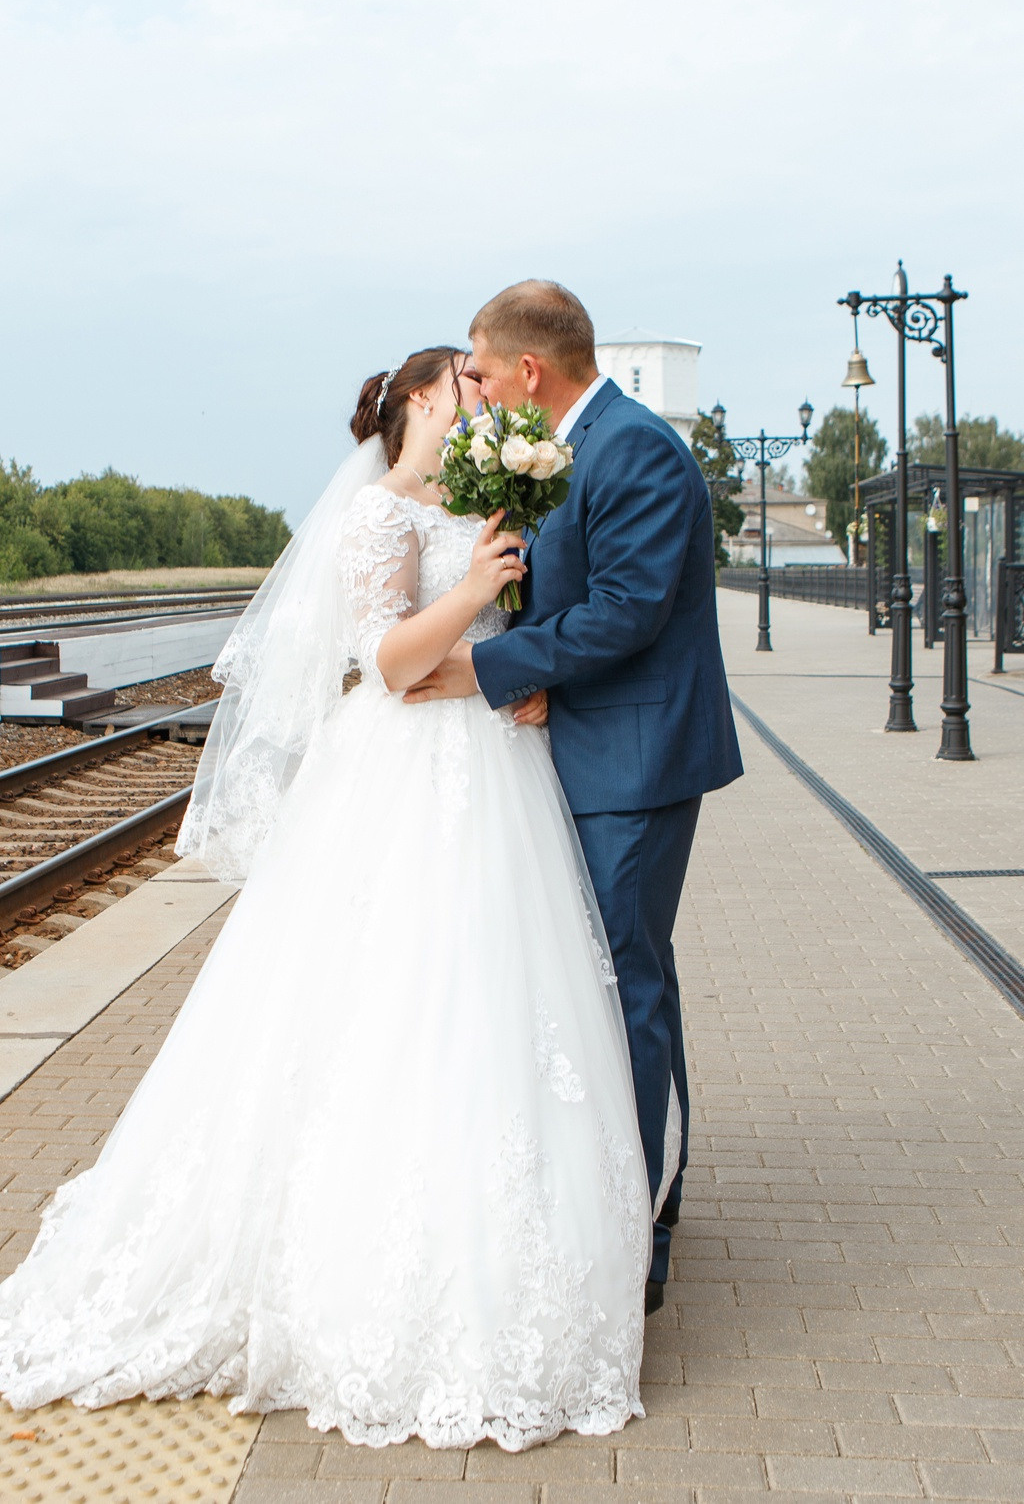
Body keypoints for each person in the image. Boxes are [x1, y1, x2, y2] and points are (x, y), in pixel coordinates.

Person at [0, 345, 649, 1452]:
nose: (482, 394)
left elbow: (511, 636)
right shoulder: (379, 514)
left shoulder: (483, 502)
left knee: (491, 1003)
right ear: (420, 399)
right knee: (382, 998)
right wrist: (475, 590)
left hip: (494, 769)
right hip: (403, 770)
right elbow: (389, 664)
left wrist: (527, 677)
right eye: (464, 381)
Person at [404, 280, 742, 1313]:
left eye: (482, 366)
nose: (476, 383)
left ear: (529, 370)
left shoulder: (633, 449)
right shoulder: (570, 446)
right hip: (590, 748)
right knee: (607, 979)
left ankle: (643, 1225)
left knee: (623, 984)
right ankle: (621, 1197)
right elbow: (566, 593)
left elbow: (628, 610)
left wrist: (486, 669)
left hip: (633, 763)